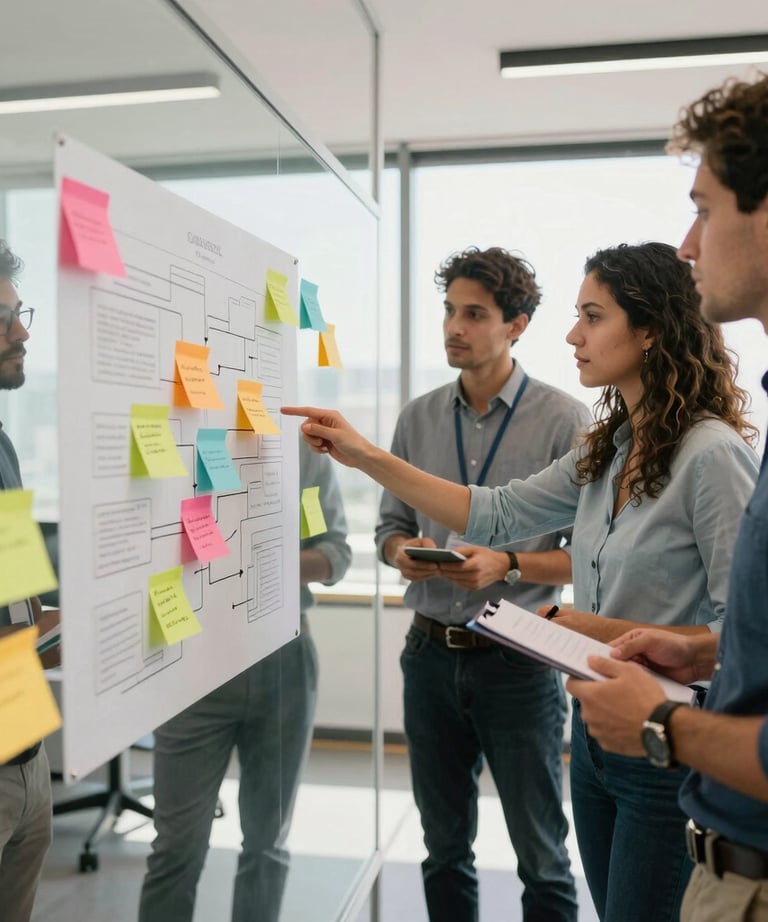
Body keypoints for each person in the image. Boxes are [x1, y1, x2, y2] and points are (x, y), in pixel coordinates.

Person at [283, 240, 760, 922]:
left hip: (663, 744)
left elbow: (741, 633)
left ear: (650, 328)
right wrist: (363, 455)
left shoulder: (711, 455)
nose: (573, 334)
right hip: (597, 735)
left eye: (593, 316)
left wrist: (601, 631)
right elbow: (495, 510)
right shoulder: (612, 447)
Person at [563, 73, 768, 922]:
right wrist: (707, 657)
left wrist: (663, 725)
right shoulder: (612, 441)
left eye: (706, 208)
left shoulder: (713, 453)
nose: (688, 244)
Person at [375, 246, 590, 922]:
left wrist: (511, 564)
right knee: (442, 850)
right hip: (429, 653)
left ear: (516, 325)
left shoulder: (565, 420)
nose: (453, 327)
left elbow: (590, 555)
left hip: (520, 661)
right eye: (448, 311)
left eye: (474, 314)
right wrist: (401, 550)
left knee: (542, 858)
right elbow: (387, 525)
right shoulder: (416, 417)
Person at [138, 442, 352, 922]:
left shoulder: (299, 449)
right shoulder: (177, 440)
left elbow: (333, 552)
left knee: (267, 840)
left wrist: (264, 561)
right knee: (176, 846)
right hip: (192, 666)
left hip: (282, 667)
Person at [0, 239, 58, 922]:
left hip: (24, 750)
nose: (23, 332)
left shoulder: (4, 446)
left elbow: (20, 601)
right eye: (3, 318)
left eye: (19, 313)